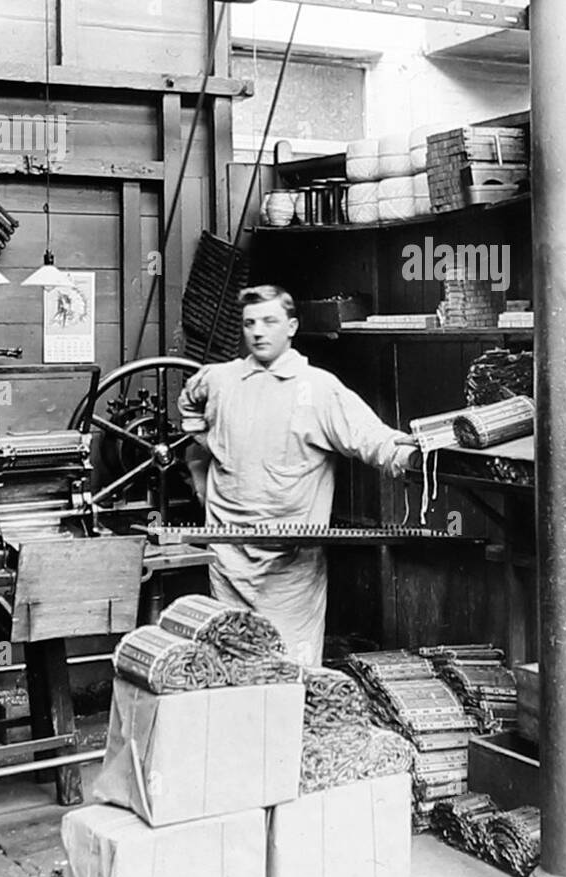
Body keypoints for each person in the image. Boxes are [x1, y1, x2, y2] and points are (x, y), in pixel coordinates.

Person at [178, 285, 419, 666]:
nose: (258, 332)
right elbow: (190, 401)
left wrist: (412, 456)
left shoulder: (318, 389)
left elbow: (372, 439)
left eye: (269, 322)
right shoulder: (220, 380)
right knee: (230, 669)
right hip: (228, 559)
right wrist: (199, 467)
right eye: (249, 323)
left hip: (289, 568)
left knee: (288, 672)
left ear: (291, 327)